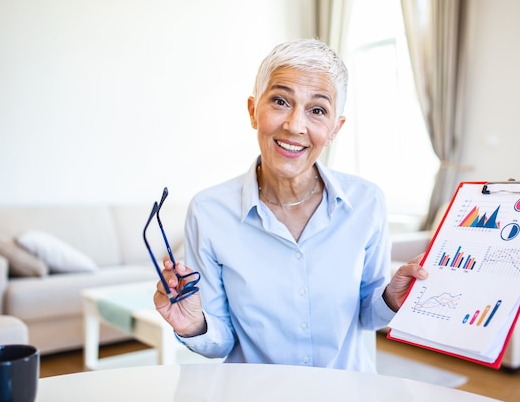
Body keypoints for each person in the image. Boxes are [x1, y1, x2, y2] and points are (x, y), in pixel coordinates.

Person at [153, 38, 427, 372]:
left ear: (334, 129)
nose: (295, 126)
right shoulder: (208, 212)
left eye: (317, 110)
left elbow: (367, 316)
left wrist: (391, 299)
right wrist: (193, 324)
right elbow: (221, 342)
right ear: (253, 111)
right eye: (281, 101)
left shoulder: (367, 202)